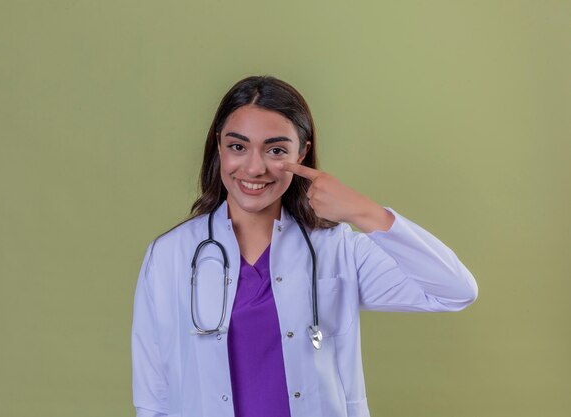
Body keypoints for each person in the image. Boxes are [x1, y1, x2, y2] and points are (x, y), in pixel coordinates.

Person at [131, 75, 478, 417]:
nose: (254, 167)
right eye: (238, 146)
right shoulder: (170, 255)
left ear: (303, 153)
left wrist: (365, 212)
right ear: (218, 145)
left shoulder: (336, 249)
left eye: (276, 150)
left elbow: (454, 291)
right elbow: (153, 395)